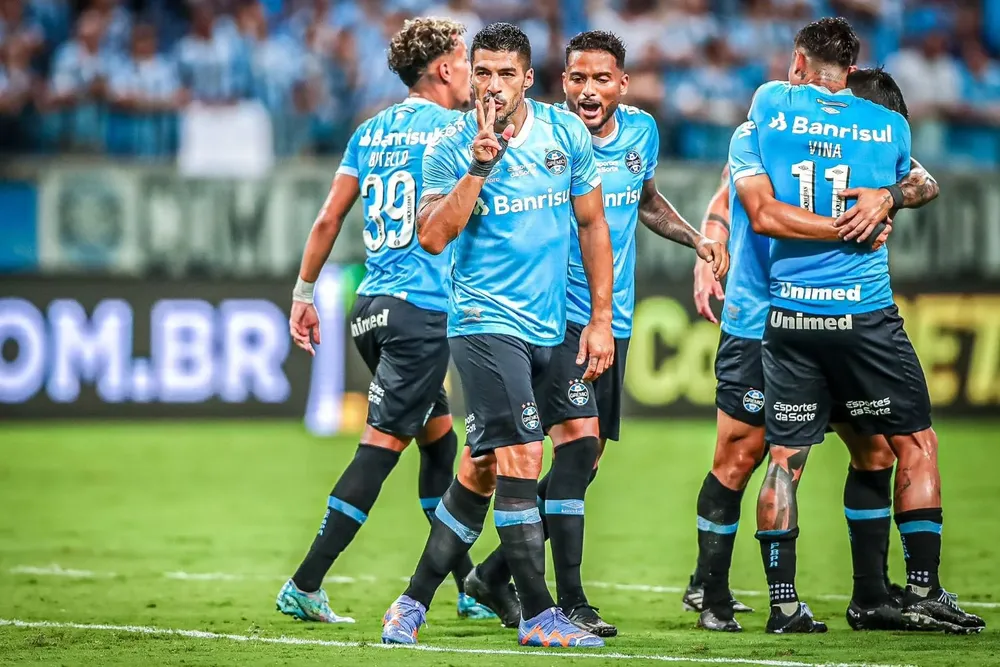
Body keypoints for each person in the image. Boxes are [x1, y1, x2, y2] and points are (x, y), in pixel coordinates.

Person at [463, 29, 729, 638]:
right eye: (577, 78)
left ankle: (491, 575)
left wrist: (695, 238)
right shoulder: (546, 135)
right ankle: (569, 601)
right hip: (555, 317)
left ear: (623, 84)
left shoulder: (641, 133)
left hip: (614, 317)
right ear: (561, 82)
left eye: (601, 79)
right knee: (575, 448)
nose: (588, 90)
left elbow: (646, 200)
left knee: (584, 461)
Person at [736, 17, 985, 634]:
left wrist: (859, 208)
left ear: (798, 62)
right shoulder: (889, 127)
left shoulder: (768, 105)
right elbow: (923, 184)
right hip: (863, 315)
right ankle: (922, 590)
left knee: (787, 460)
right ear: (851, 71)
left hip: (789, 314)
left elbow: (764, 214)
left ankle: (786, 605)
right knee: (916, 445)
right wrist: (877, 205)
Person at [686, 58, 946, 636]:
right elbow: (726, 199)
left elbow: (922, 181)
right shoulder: (767, 132)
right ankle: (711, 589)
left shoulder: (858, 139)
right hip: (759, 319)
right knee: (742, 454)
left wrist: (888, 196)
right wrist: (712, 247)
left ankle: (871, 595)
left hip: (829, 319)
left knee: (875, 452)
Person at [380, 22, 615, 649]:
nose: (491, 85)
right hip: (483, 324)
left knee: (488, 467)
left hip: (551, 327)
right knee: (523, 456)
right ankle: (539, 615)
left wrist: (599, 319)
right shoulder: (450, 144)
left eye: (505, 73)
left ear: (528, 79)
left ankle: (411, 601)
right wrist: (479, 168)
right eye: (481, 72)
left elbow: (593, 225)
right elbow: (432, 236)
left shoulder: (565, 133)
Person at [280, 17, 497, 625]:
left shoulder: (369, 131)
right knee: (379, 451)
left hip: (371, 307)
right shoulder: (457, 130)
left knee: (440, 444)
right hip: (419, 313)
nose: (473, 74)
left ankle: (468, 585)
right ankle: (305, 582)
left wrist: (302, 293)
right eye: (466, 61)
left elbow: (328, 218)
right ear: (445, 68)